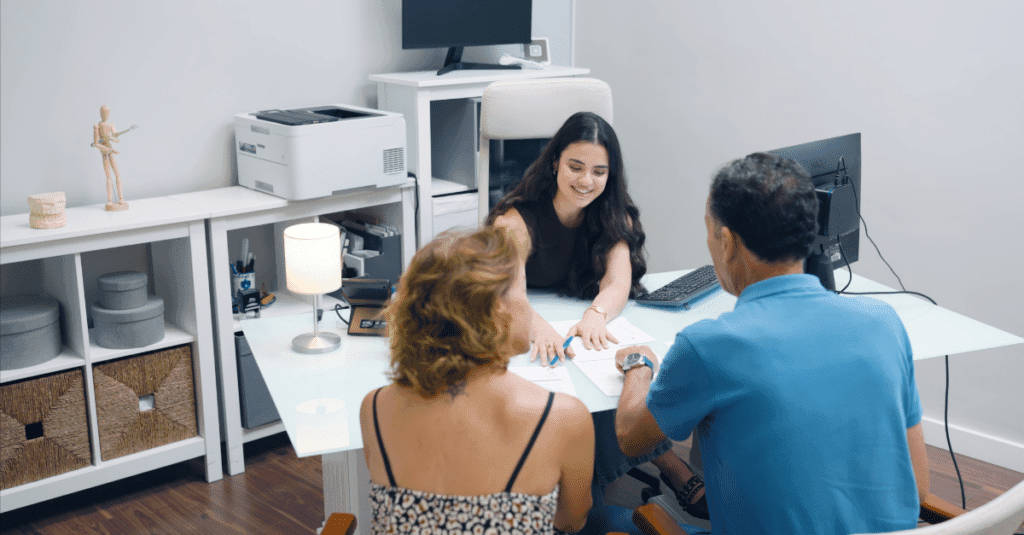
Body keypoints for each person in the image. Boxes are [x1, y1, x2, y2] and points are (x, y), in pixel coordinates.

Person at [614, 152, 930, 533]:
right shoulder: (885, 324)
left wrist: (637, 365)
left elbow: (631, 438)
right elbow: (920, 487)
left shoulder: (709, 345)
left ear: (727, 242)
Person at [487, 111, 708, 532]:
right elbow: (510, 292)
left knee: (611, 369)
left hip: (575, 324)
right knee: (573, 387)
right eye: (575, 166)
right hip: (520, 327)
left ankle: (591, 491)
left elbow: (618, 279)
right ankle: (644, 474)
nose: (586, 180)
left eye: (598, 171)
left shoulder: (612, 213)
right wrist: (536, 326)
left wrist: (597, 314)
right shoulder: (516, 219)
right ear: (554, 162)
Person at [358, 227, 594, 534]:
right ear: (497, 309)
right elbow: (571, 521)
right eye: (523, 292)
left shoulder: (375, 407)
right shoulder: (561, 417)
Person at [91, 105, 129, 211]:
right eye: (103, 113)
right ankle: (110, 200)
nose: (105, 115)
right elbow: (96, 144)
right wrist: (109, 150)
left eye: (107, 113)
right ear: (100, 114)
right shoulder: (97, 127)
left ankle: (121, 198)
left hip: (110, 152)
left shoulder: (111, 125)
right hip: (105, 153)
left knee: (117, 174)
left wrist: (112, 137)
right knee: (108, 177)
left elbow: (117, 139)